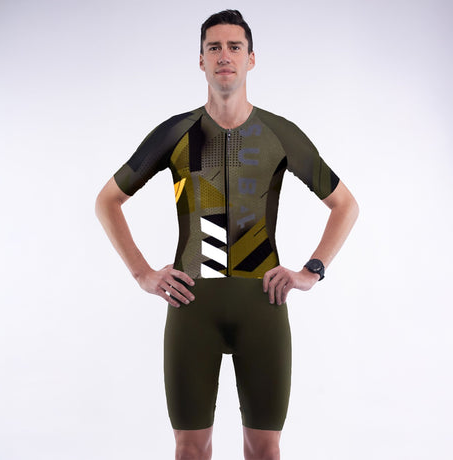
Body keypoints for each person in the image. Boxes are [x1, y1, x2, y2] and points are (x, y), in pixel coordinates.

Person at [95, 9, 359, 460]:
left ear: (251, 59)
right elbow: (108, 200)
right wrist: (142, 273)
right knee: (190, 450)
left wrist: (312, 270)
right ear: (200, 60)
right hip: (192, 306)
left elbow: (345, 205)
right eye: (213, 47)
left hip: (262, 305)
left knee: (264, 450)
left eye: (234, 47)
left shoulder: (279, 133)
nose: (224, 56)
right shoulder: (176, 132)